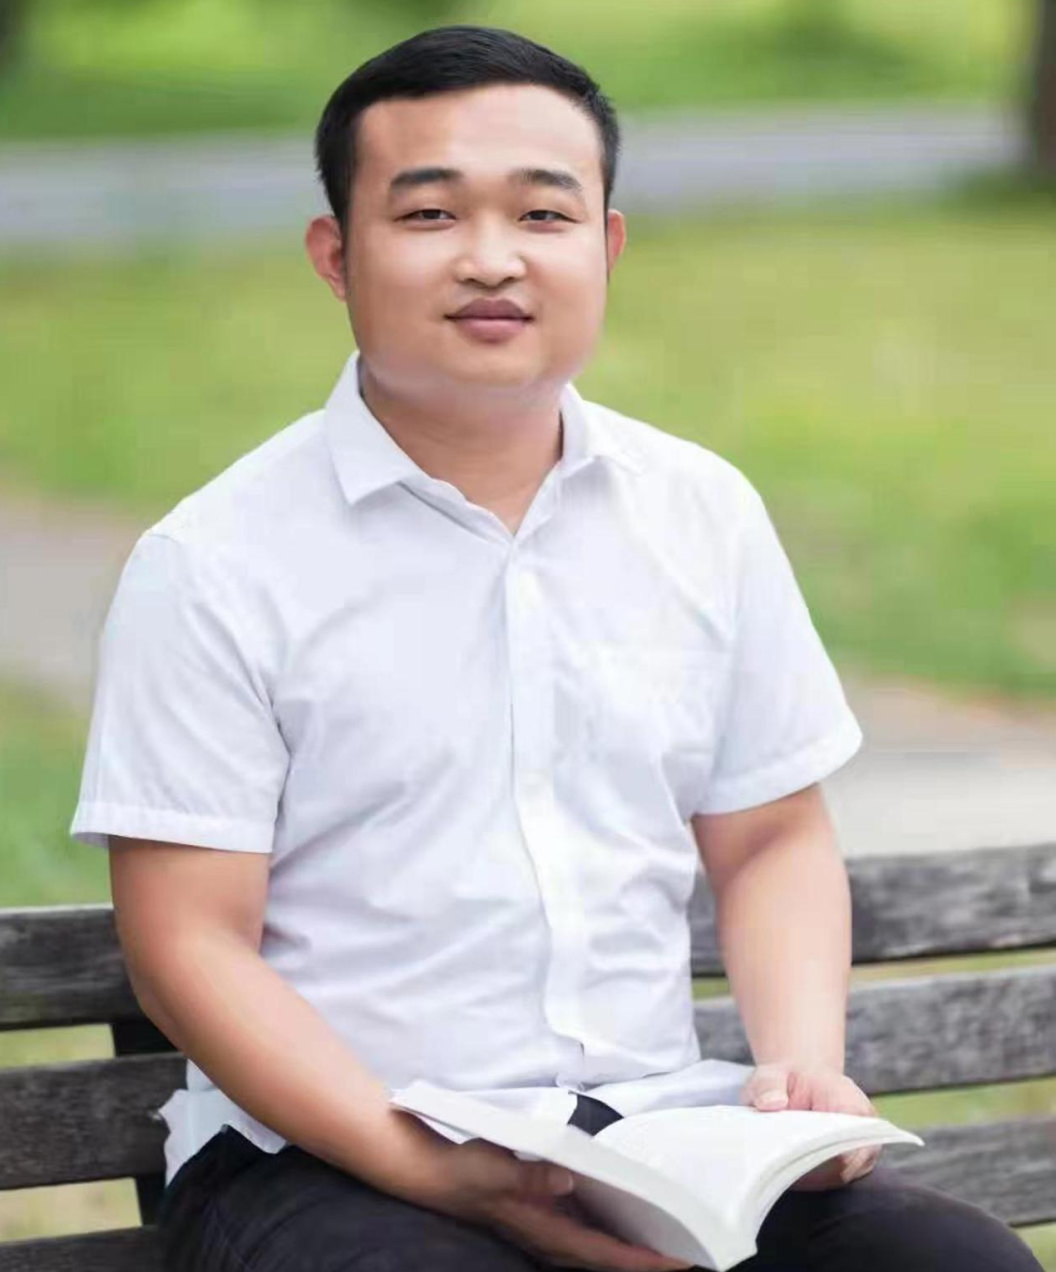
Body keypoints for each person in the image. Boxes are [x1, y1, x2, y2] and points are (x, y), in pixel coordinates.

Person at [69, 23, 1044, 1272]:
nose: (493, 259)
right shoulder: (215, 563)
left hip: (653, 1139)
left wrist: (801, 1079)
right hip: (325, 1156)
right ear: (336, 255)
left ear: (607, 245)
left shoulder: (700, 513)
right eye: (429, 215)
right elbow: (188, 940)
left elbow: (770, 837)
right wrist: (423, 1166)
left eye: (543, 214)